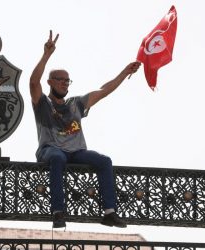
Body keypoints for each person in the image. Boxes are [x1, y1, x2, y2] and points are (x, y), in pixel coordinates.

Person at [29, 30, 141, 229]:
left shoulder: (76, 104)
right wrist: (46, 55)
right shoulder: (43, 103)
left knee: (104, 161)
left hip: (77, 152)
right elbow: (33, 82)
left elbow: (104, 90)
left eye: (67, 80)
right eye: (60, 80)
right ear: (50, 82)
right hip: (51, 149)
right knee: (57, 158)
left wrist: (125, 72)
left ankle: (109, 213)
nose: (64, 83)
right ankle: (58, 212)